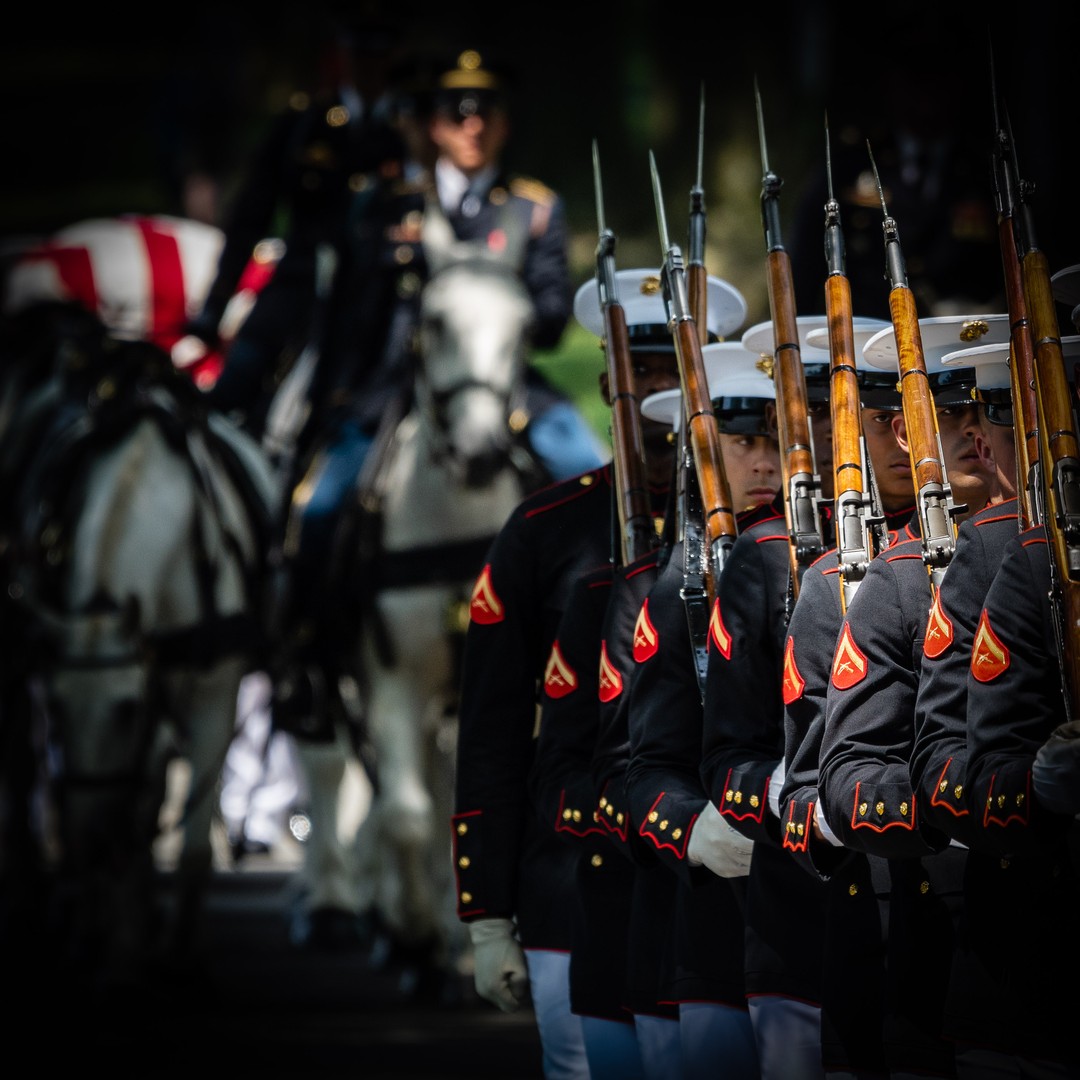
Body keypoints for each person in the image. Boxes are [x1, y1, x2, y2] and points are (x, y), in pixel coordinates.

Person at [452, 266, 746, 1079]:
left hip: (726, 883)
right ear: (610, 381)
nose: (656, 393)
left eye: (674, 369)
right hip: (571, 880)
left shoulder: (764, 536)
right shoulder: (545, 529)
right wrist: (487, 912)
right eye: (638, 370)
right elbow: (495, 728)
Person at [529, 340, 781, 1079]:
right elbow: (600, 767)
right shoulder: (642, 593)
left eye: (777, 441)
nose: (765, 463)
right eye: (742, 443)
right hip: (672, 917)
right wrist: (687, 825)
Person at [695, 314, 905, 1079]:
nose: (827, 432)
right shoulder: (766, 559)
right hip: (803, 920)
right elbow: (726, 758)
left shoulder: (964, 546)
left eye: (842, 409)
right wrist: (796, 797)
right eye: (808, 413)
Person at [813, 314, 1007, 1078]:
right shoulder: (882, 581)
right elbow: (836, 772)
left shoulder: (1027, 550)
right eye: (948, 415)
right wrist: (958, 800)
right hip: (916, 923)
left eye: (989, 411)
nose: (972, 435)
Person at [174, 16, 407, 437]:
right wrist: (217, 304)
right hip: (296, 290)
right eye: (361, 54)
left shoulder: (410, 133)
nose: (371, 66)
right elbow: (251, 216)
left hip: (371, 308)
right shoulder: (306, 124)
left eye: (380, 55)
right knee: (229, 394)